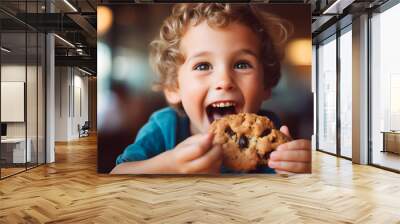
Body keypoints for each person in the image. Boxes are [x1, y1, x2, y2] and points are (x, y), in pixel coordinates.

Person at [111, 3, 311, 174]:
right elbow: (117, 173)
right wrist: (167, 166)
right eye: (203, 66)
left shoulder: (270, 135)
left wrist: (303, 168)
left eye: (242, 64)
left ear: (265, 84)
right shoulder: (164, 129)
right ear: (174, 87)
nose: (224, 80)